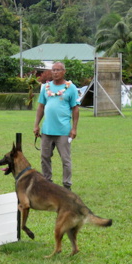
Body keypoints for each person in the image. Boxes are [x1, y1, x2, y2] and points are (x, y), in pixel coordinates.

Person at [33, 62, 79, 190]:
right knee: (45, 157)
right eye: (53, 70)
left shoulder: (71, 88)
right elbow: (41, 106)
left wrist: (74, 128)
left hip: (63, 131)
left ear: (64, 71)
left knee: (65, 160)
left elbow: (75, 109)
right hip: (47, 130)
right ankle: (47, 183)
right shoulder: (46, 87)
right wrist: (36, 125)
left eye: (58, 70)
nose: (55, 72)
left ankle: (66, 186)